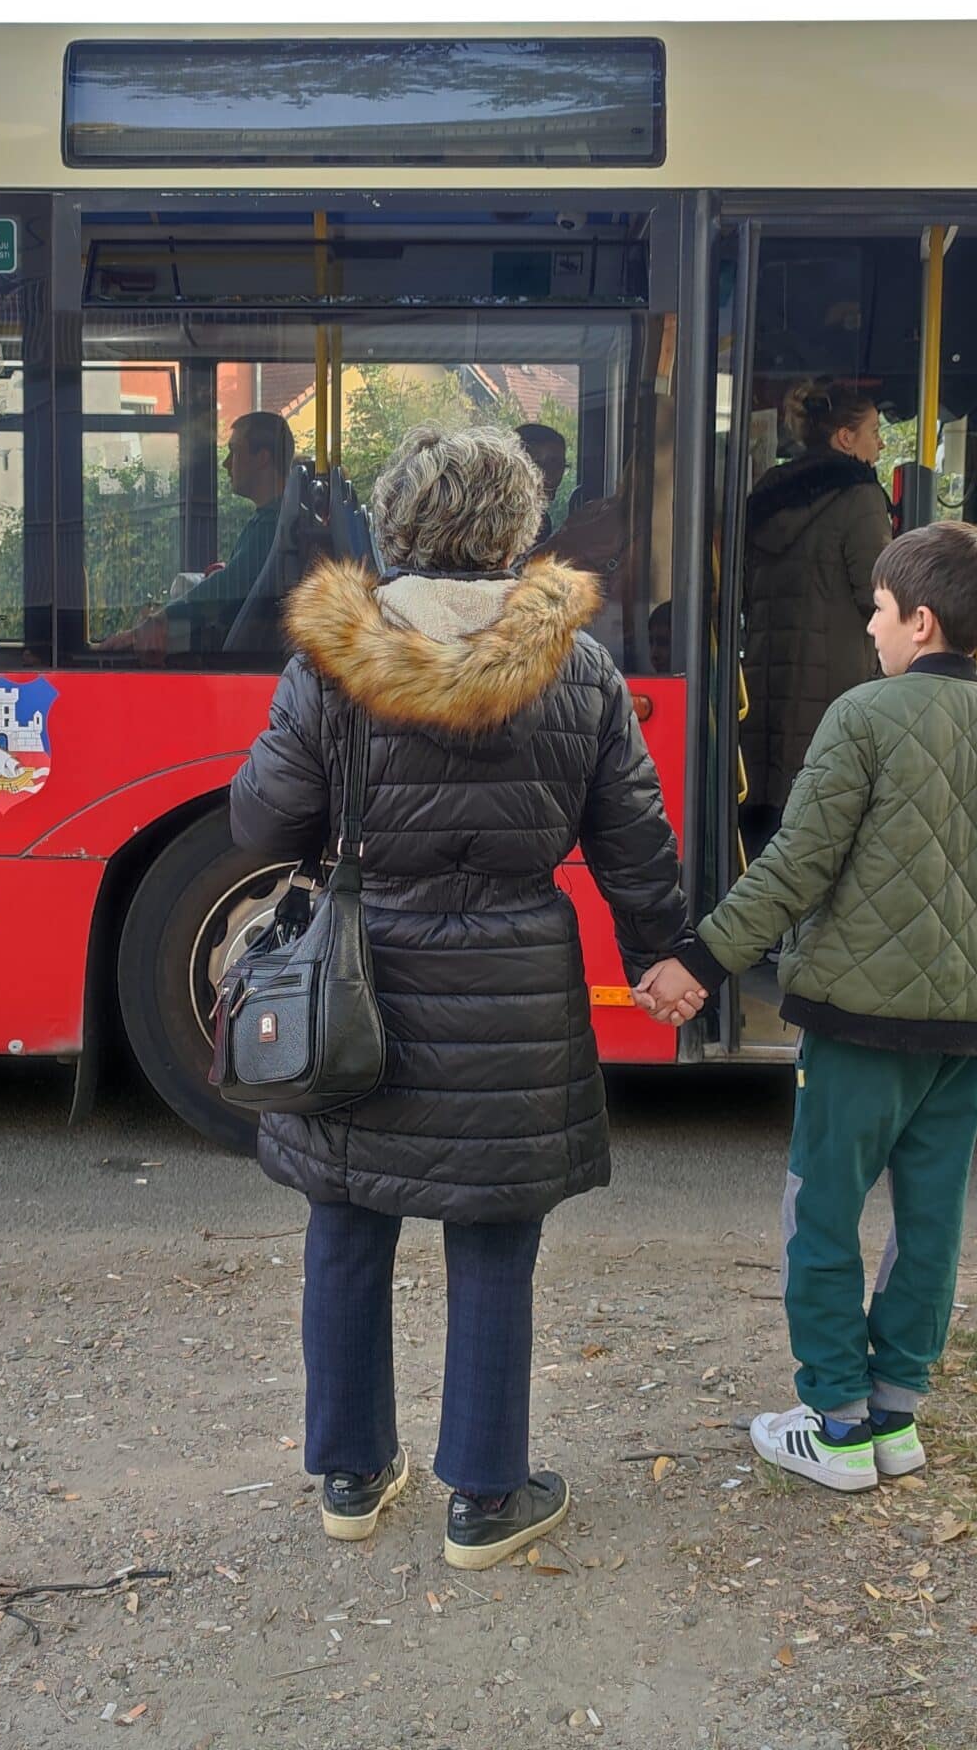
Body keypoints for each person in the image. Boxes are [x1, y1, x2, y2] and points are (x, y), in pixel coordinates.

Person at [230, 424, 693, 1568]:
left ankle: (351, 1477)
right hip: (513, 989)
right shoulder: (578, 667)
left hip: (361, 982)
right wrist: (663, 956)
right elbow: (634, 841)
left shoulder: (331, 662)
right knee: (493, 1234)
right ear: (517, 528)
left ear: (394, 523)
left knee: (346, 1220)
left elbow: (265, 825)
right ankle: (486, 1498)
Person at [635, 521, 977, 1492]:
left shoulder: (863, 717)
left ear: (921, 620)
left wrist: (700, 960)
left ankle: (835, 1424)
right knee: (930, 1220)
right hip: (965, 1030)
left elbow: (797, 865)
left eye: (878, 609)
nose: (868, 626)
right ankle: (895, 1414)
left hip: (858, 1024)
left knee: (821, 1212)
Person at [738, 384, 895, 857]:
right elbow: (878, 596)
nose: (880, 444)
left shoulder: (769, 492)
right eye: (874, 431)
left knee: (766, 819)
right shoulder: (861, 496)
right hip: (834, 685)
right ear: (845, 438)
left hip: (762, 680)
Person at [101, 412, 295, 656]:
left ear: (262, 458)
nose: (226, 464)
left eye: (234, 451)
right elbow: (240, 579)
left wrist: (162, 619)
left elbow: (225, 590)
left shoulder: (273, 526)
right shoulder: (275, 518)